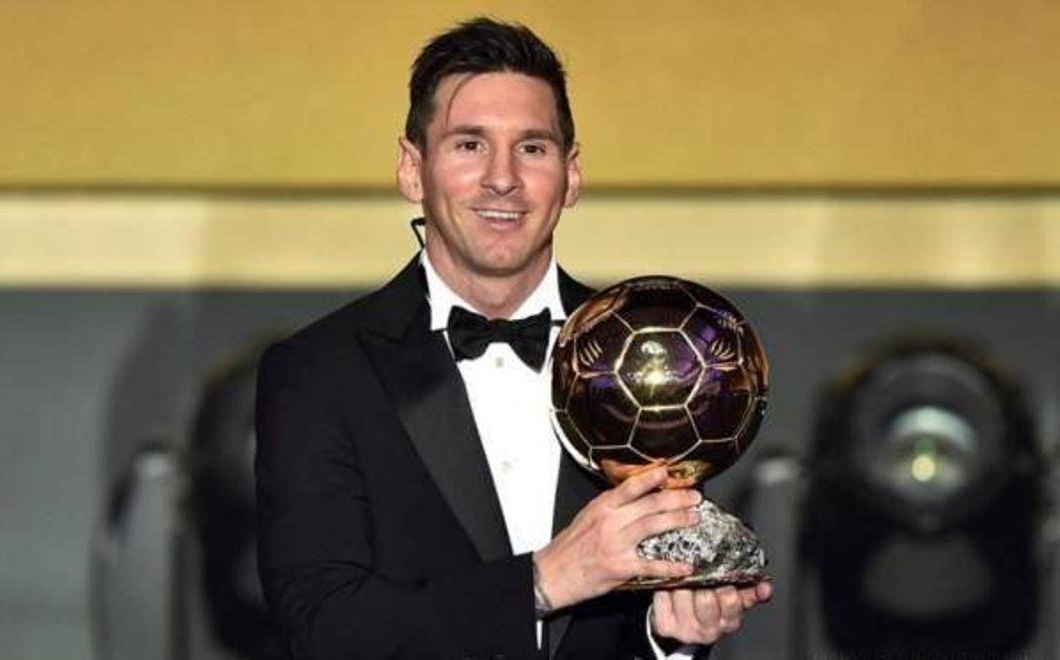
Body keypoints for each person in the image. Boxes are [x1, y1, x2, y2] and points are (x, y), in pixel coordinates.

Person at [255, 17, 771, 660]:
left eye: (532, 148)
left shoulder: (652, 349)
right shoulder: (319, 372)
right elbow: (323, 627)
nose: (503, 178)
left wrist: (668, 637)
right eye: (470, 145)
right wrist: (544, 581)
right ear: (413, 169)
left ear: (571, 175)